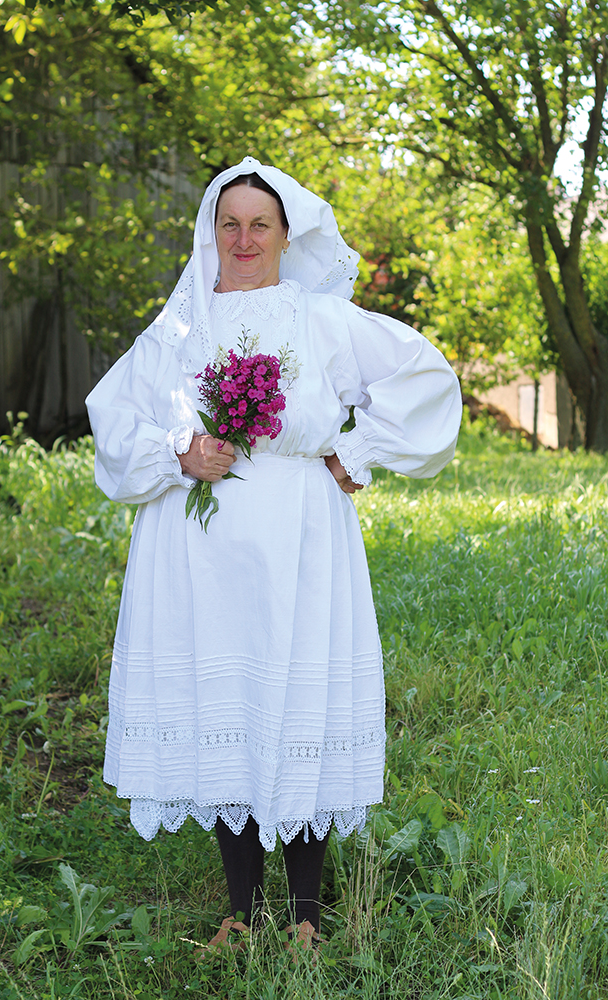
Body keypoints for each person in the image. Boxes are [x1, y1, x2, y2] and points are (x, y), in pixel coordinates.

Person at [86, 156, 462, 951]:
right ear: (211, 233)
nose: (244, 239)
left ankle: (304, 917)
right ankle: (240, 910)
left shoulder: (321, 319)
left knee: (297, 708)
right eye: (230, 224)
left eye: (261, 224)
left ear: (288, 236)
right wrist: (179, 451)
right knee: (229, 712)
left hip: (299, 536)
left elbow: (424, 377)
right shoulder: (179, 328)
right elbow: (113, 420)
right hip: (198, 549)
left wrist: (356, 452)